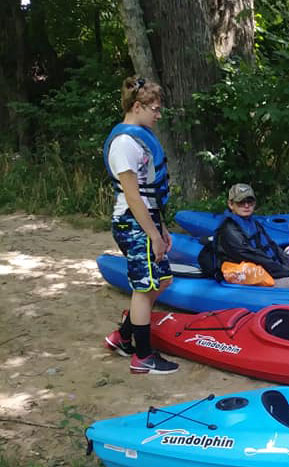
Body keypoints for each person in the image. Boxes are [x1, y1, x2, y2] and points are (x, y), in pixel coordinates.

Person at [102, 75, 178, 374]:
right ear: (137, 106)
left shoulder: (139, 140)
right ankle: (143, 358)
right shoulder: (124, 143)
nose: (158, 115)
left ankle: (122, 337)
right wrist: (153, 235)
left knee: (163, 281)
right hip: (132, 223)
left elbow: (149, 195)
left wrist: (162, 228)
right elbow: (133, 197)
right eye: (155, 109)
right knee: (145, 288)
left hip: (146, 220)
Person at [198, 183, 289, 289]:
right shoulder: (229, 230)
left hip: (270, 269)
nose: (246, 205)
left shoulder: (252, 223)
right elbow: (254, 257)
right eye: (241, 202)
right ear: (231, 204)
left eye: (250, 201)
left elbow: (274, 249)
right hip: (250, 276)